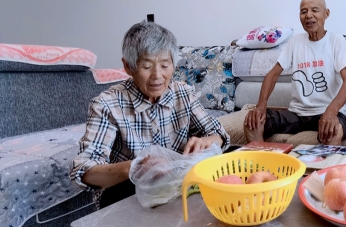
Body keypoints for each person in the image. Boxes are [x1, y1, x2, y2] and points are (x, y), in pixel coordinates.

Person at [71, 21, 230, 208]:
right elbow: (84, 171)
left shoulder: (183, 93)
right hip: (130, 192)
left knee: (231, 156)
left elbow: (219, 135)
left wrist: (209, 141)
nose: (157, 75)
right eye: (147, 66)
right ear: (128, 66)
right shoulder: (107, 105)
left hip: (178, 186)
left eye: (165, 65)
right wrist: (135, 168)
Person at [244, 0, 346, 146]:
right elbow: (273, 75)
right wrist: (261, 105)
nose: (308, 15)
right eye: (303, 11)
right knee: (253, 123)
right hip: (297, 114)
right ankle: (264, 161)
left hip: (328, 111)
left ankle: (324, 163)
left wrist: (331, 111)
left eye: (314, 10)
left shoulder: (336, 41)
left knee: (333, 131)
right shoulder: (295, 41)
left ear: (326, 13)